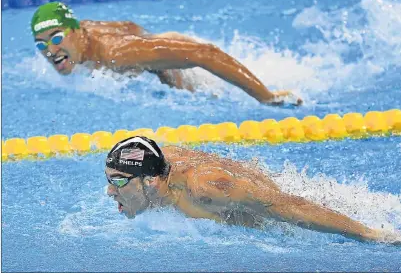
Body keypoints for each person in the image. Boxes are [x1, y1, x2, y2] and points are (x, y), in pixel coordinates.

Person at [105, 136, 401, 245]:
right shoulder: (155, 168)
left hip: (276, 210)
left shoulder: (204, 188)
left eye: (117, 182)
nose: (108, 191)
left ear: (150, 182)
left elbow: (285, 207)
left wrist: (368, 234)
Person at [31, 2, 302, 106]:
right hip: (150, 47)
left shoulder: (117, 53)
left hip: (177, 58)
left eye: (56, 38)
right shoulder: (78, 38)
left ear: (77, 32)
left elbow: (204, 53)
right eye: (41, 44)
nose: (50, 50)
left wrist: (265, 96)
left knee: (214, 96)